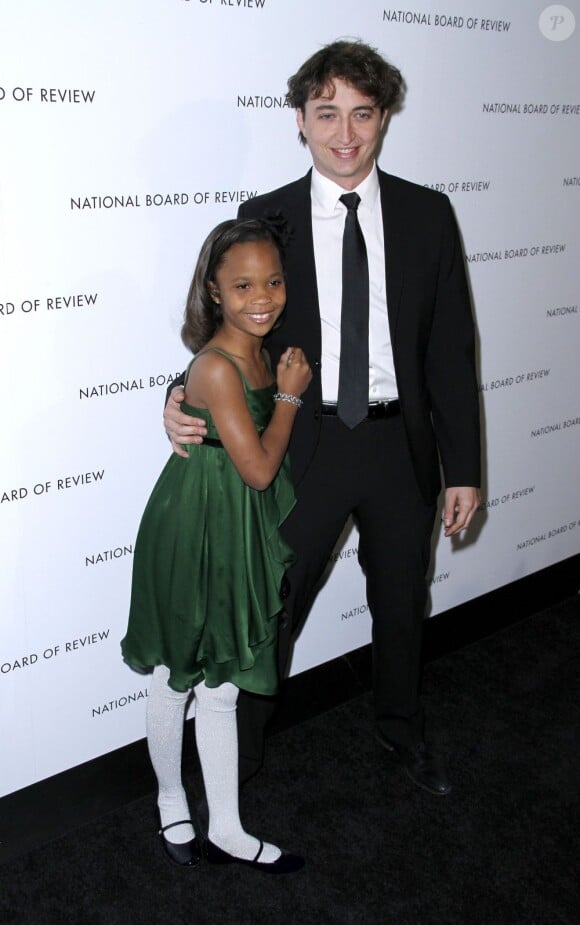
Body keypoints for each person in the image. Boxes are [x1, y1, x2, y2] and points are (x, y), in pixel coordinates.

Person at [164, 40, 481, 797]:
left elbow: (448, 351)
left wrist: (463, 468)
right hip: (298, 444)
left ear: (383, 119)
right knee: (269, 609)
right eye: (327, 113)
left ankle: (401, 731)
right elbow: (228, 331)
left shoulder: (427, 214)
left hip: (397, 443)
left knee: (402, 602)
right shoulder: (265, 215)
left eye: (362, 114)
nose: (346, 133)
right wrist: (178, 396)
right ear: (300, 120)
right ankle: (236, 758)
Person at [122, 218, 311, 873]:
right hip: (196, 525)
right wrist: (289, 396)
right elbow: (259, 467)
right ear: (214, 290)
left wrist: (279, 382)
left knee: (224, 685)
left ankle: (227, 826)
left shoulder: (262, 347)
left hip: (239, 528)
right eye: (242, 284)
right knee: (178, 674)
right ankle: (171, 796)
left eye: (273, 280)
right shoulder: (217, 364)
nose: (263, 296)